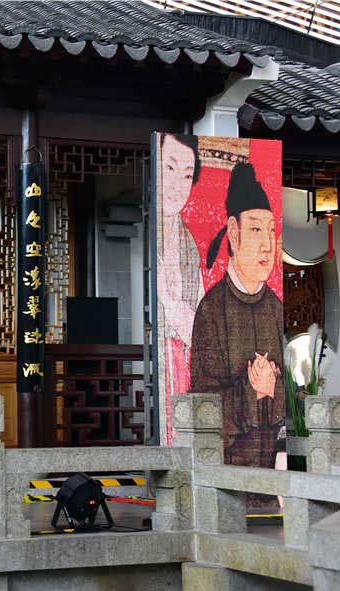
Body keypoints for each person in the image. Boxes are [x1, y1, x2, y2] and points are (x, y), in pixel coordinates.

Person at [190, 162, 284, 470]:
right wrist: (252, 390)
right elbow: (202, 407)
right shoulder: (211, 309)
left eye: (271, 230)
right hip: (228, 469)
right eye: (256, 229)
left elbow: (292, 398)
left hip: (272, 470)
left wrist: (274, 387)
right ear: (233, 231)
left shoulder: (274, 307)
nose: (268, 245)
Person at [157, 133, 204, 445]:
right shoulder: (151, 232)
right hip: (161, 365)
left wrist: (172, 303)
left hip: (183, 365)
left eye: (187, 176)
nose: (177, 185)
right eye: (170, 169)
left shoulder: (188, 244)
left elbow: (199, 327)